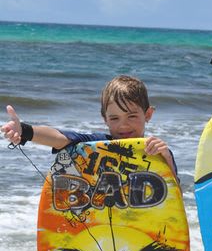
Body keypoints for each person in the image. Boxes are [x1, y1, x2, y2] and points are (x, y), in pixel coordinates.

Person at [1, 74, 178, 180]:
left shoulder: (159, 151)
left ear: (148, 115)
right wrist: (24, 130)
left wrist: (166, 159)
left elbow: (174, 195)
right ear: (104, 119)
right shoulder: (97, 145)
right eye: (114, 118)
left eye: (131, 116)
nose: (123, 125)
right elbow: (60, 138)